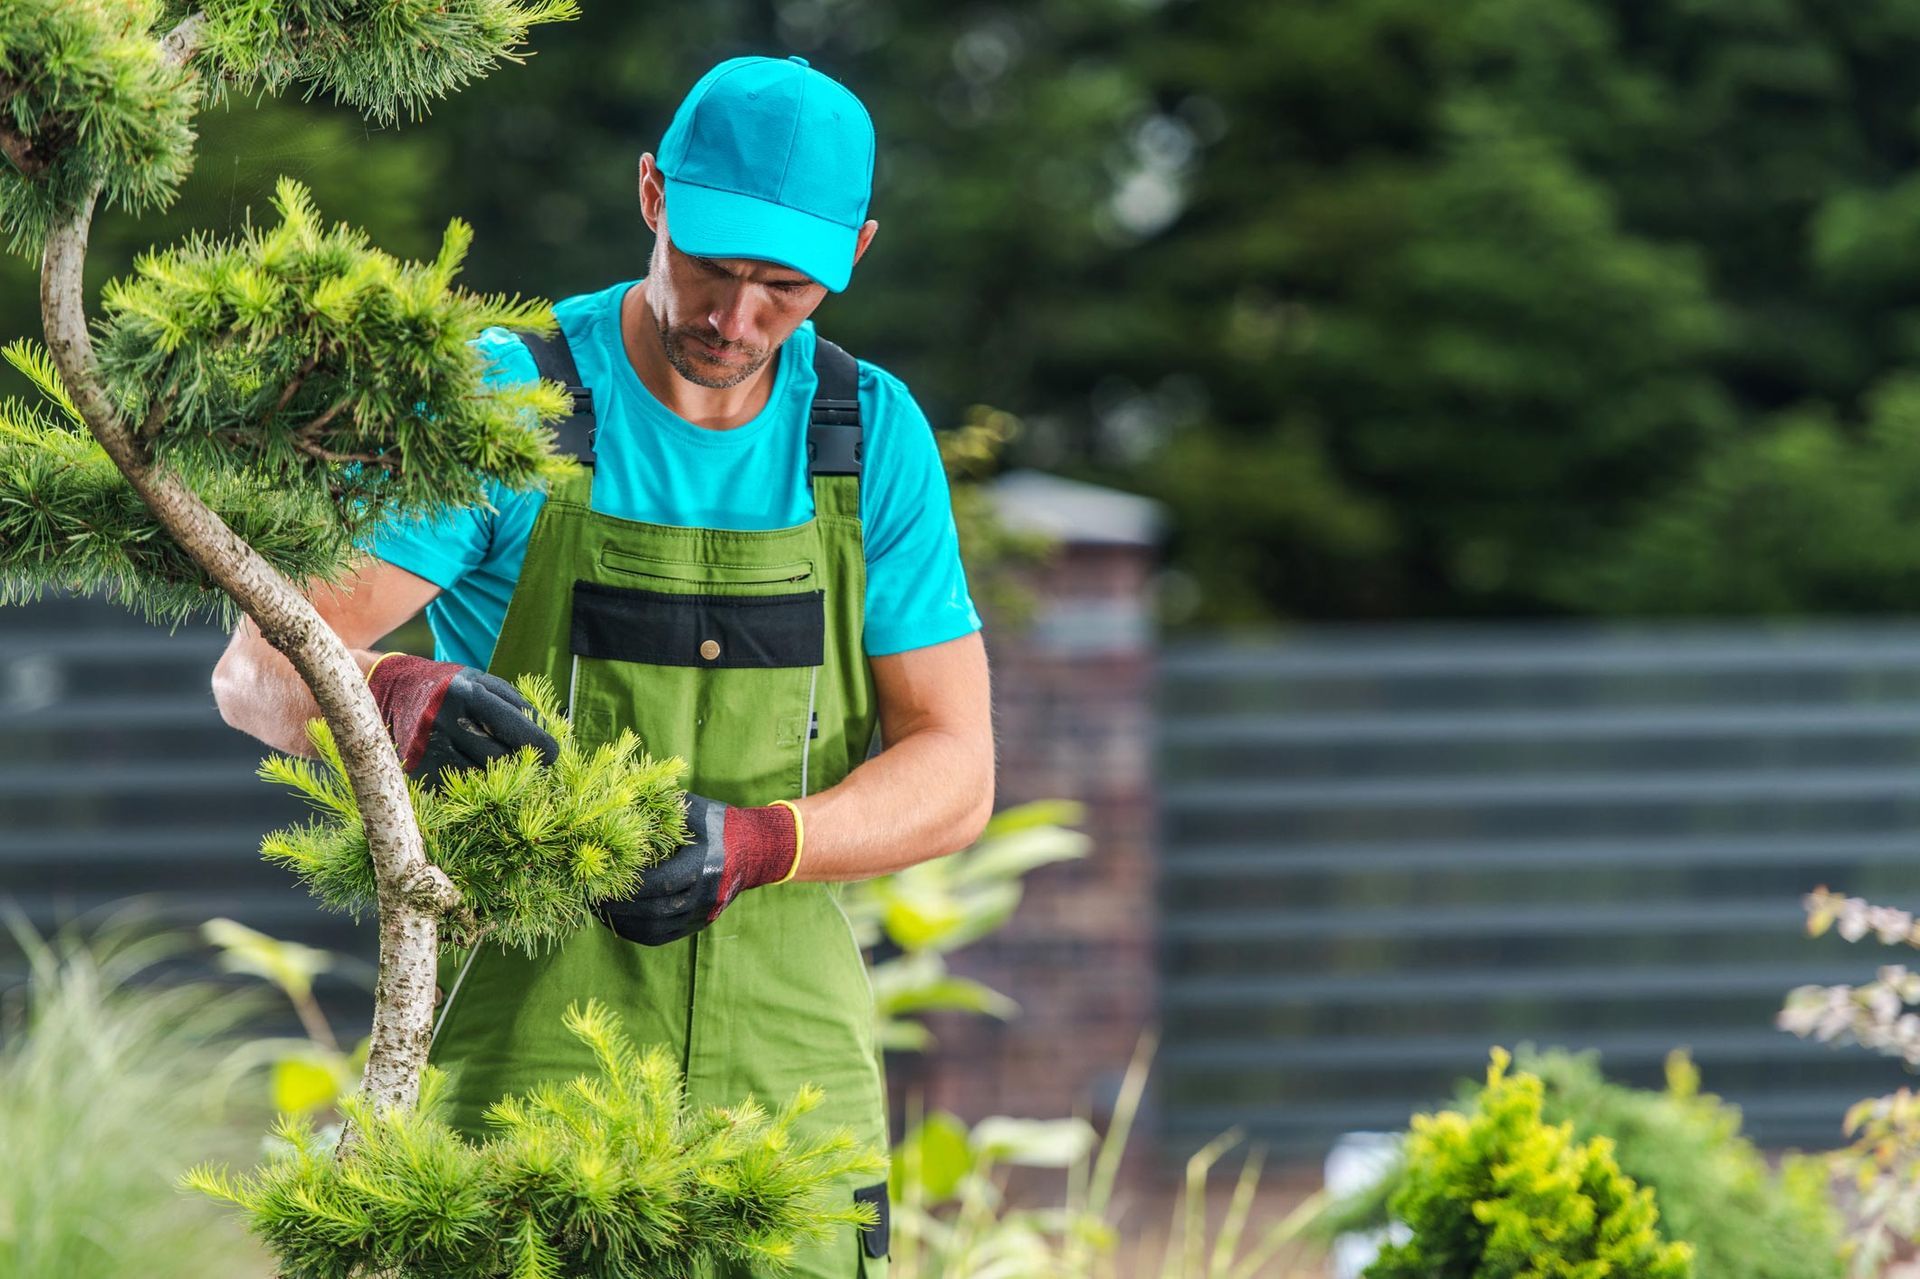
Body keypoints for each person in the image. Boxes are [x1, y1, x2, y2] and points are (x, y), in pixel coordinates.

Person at [212, 53, 995, 1279]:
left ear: (858, 249)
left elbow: (956, 765)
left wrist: (755, 843)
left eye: (784, 286)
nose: (736, 319)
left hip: (787, 1095)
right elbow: (255, 664)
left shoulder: (867, 436)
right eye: (711, 267)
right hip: (523, 1072)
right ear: (650, 197)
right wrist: (391, 695)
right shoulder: (511, 400)